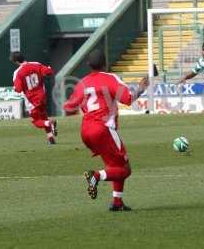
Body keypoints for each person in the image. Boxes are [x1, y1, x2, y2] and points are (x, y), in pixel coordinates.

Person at [63, 50, 149, 211]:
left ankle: (117, 202)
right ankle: (96, 176)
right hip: (103, 129)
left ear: (88, 65)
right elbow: (128, 99)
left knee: (114, 165)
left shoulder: (83, 82)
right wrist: (141, 88)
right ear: (105, 63)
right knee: (125, 170)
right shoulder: (110, 78)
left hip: (85, 131)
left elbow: (68, 108)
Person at [10, 52, 57, 144]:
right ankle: (50, 138)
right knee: (43, 116)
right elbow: (48, 72)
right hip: (42, 96)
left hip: (31, 100)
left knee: (36, 122)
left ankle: (49, 123)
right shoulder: (36, 64)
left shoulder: (17, 73)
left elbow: (18, 89)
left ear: (15, 61)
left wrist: (15, 87)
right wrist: (49, 68)